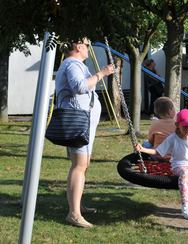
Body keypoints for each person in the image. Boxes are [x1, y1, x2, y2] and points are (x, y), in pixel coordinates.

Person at [56, 39, 114, 228]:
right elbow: (79, 87)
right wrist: (101, 73)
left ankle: (77, 205)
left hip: (83, 122)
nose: (89, 49)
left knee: (83, 164)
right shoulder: (72, 64)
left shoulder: (76, 64)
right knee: (79, 165)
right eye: (87, 46)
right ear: (79, 47)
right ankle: (74, 214)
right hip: (76, 121)